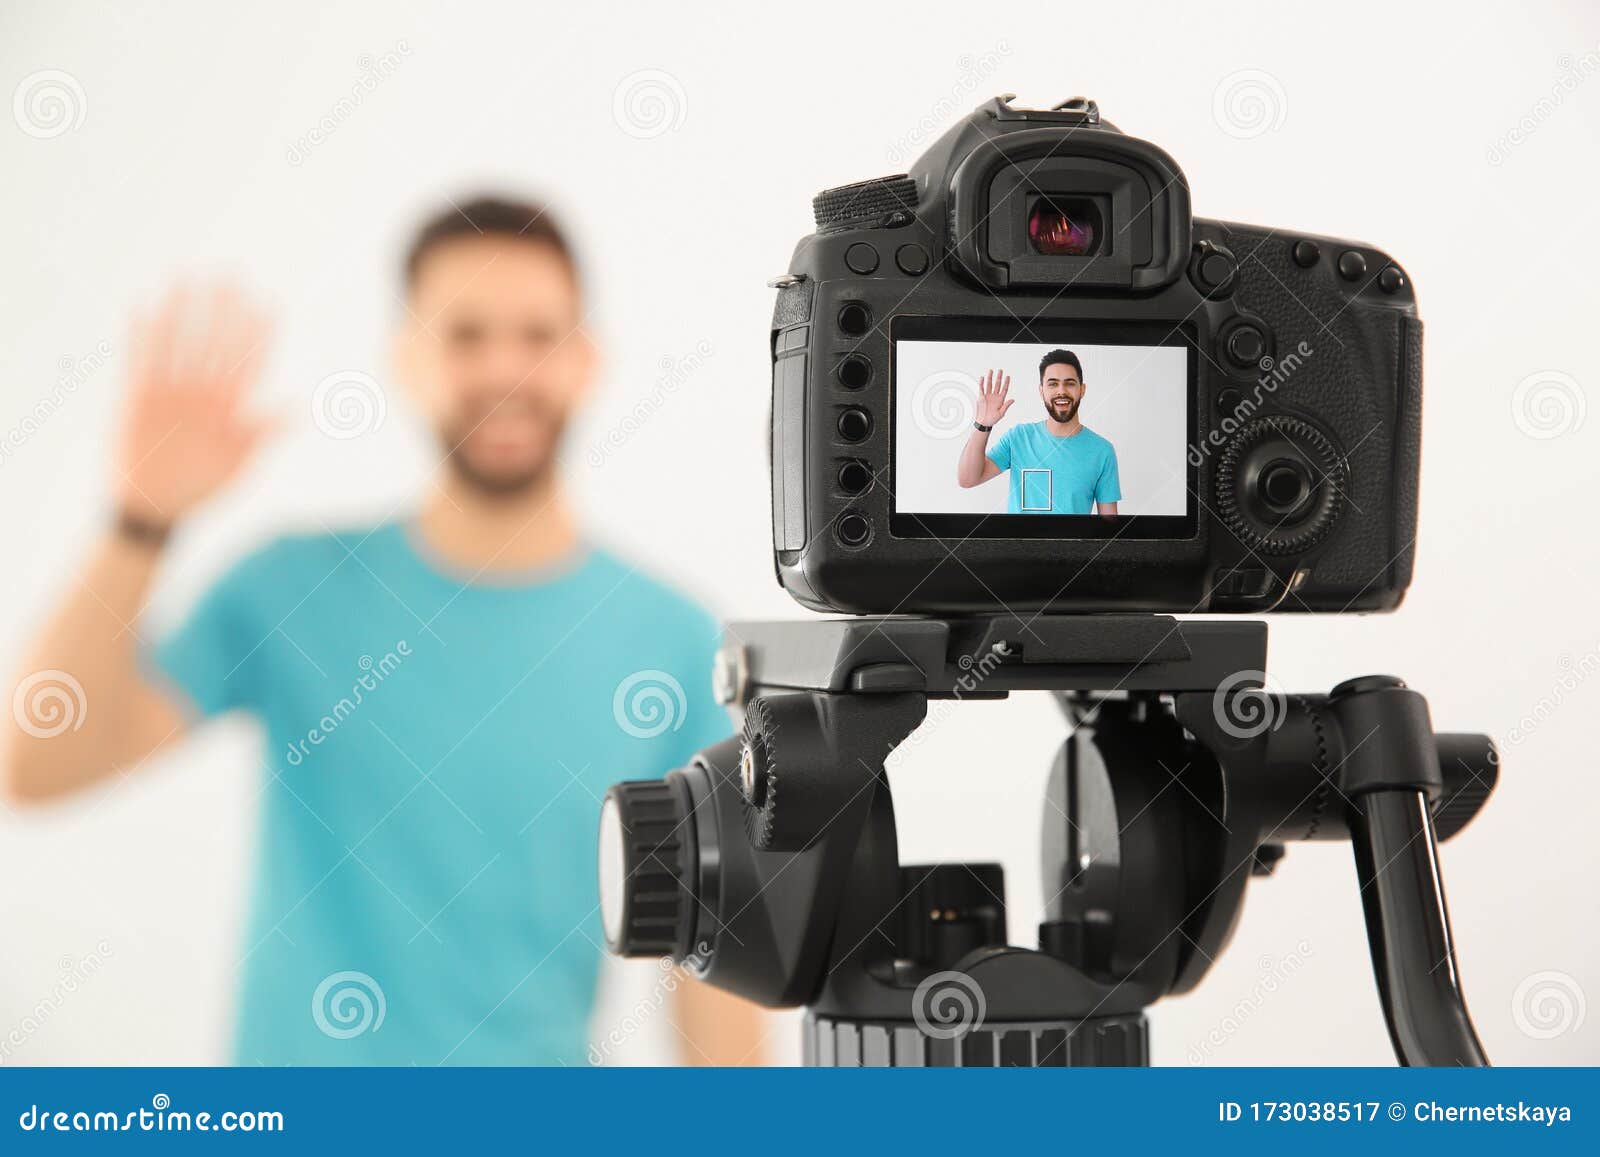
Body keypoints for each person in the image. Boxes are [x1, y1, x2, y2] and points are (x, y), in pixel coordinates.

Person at [3, 196, 765, 1067]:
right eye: (466, 335)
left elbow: (713, 980)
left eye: (536, 335)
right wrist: (140, 520)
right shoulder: (290, 588)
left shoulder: (667, 637)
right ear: (407, 359)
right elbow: (37, 764)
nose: (504, 369)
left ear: (586, 359)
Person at [955, 349, 1121, 516]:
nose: (1061, 391)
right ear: (1041, 391)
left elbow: (1108, 526)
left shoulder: (1102, 451)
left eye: (1069, 383)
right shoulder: (1019, 438)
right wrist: (983, 424)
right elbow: (967, 479)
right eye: (1053, 383)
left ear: (1082, 390)